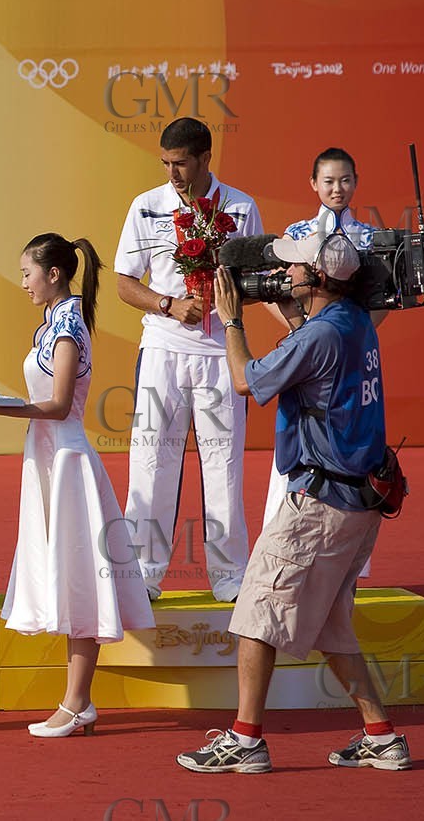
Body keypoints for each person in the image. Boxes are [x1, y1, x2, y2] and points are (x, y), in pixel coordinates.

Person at [176, 229, 411, 773]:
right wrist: (292, 313)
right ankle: (381, 736)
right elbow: (316, 350)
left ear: (318, 277)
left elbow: (243, 380)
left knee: (256, 613)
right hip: (361, 501)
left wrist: (233, 319)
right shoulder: (353, 322)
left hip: (319, 505)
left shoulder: (318, 337)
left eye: (295, 269)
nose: (286, 274)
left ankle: (245, 740)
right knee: (331, 624)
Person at [0, 234, 154, 737]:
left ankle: (76, 703)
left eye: (26, 272)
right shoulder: (55, 322)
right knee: (71, 573)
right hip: (49, 458)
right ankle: (78, 701)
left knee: (82, 578)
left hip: (67, 459)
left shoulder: (67, 326)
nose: (22, 282)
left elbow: (58, 405)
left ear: (53, 274)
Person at [114, 118, 263, 602]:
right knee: (151, 461)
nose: (172, 172)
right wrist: (168, 304)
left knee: (224, 464)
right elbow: (124, 282)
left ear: (205, 159)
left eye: (181, 163)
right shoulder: (145, 206)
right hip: (161, 350)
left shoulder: (241, 208)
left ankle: (229, 576)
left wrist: (227, 298)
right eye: (165, 163)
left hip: (221, 352)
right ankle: (142, 573)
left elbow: (257, 280)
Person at [263, 147, 383, 576]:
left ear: (356, 181)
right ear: (313, 184)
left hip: (346, 362)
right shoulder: (295, 236)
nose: (338, 188)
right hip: (305, 357)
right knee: (300, 430)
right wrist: (301, 333)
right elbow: (271, 293)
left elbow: (381, 302)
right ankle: (284, 555)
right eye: (329, 181)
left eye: (346, 180)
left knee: (350, 437)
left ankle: (348, 564)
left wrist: (353, 334)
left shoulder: (369, 238)